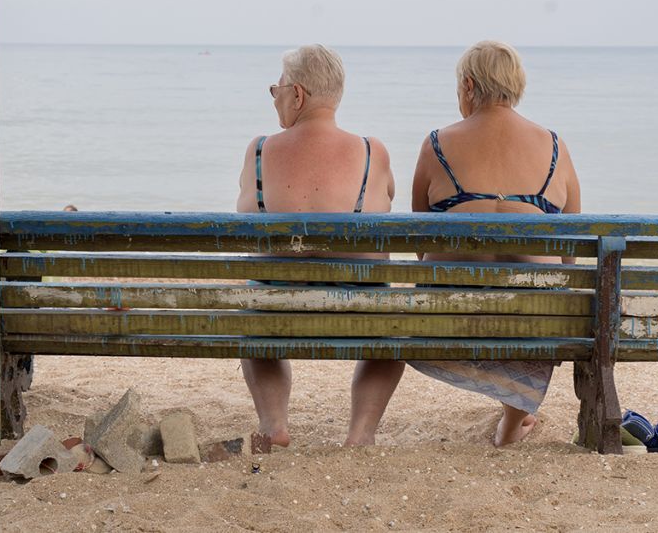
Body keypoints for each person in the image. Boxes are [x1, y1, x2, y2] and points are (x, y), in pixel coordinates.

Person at [346, 40, 581, 447]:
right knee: (544, 287)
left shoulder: (438, 143)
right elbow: (570, 248)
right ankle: (510, 429)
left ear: (469, 86)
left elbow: (421, 239)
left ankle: (360, 434)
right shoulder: (555, 147)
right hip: (533, 319)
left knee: (396, 316)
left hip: (442, 312)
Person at [235, 44, 395, 448]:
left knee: (256, 309)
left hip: (275, 308)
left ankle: (274, 425)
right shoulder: (372, 151)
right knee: (392, 329)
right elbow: (387, 204)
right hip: (359, 310)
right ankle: (361, 433)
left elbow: (245, 224)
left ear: (298, 95)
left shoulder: (259, 151)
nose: (276, 99)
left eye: (277, 90)